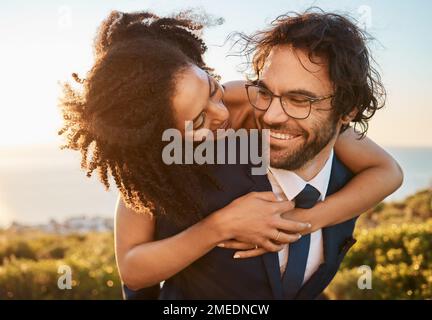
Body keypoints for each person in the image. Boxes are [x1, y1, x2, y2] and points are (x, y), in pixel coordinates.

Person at [58, 9, 403, 299]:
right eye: (198, 121)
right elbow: (133, 270)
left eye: (212, 89)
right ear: (163, 138)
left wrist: (300, 222)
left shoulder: (252, 102)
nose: (221, 114)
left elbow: (386, 171)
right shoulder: (163, 164)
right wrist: (220, 227)